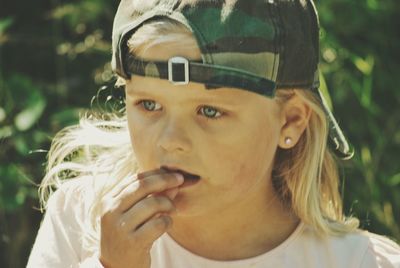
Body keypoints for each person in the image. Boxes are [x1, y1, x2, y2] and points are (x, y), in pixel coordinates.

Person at [27, 0, 400, 267]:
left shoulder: (360, 261)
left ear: (290, 122)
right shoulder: (81, 220)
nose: (170, 139)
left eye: (209, 111)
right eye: (149, 105)